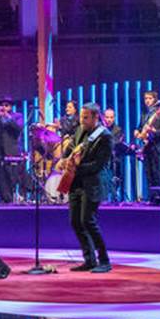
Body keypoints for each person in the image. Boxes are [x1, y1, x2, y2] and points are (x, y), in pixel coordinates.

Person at [65, 102, 113, 273]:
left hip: (93, 183)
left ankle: (104, 260)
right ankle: (89, 259)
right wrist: (65, 160)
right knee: (75, 222)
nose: (82, 121)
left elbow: (98, 165)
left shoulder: (104, 136)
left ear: (95, 117)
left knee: (88, 221)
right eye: (81, 117)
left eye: (85, 118)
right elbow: (70, 151)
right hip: (76, 183)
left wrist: (77, 167)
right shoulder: (79, 131)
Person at [137, 89, 160, 195]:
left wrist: (155, 132)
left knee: (157, 173)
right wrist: (136, 132)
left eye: (150, 98)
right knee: (148, 173)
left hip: (157, 145)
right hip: (147, 146)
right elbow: (140, 127)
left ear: (155, 99)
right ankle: (152, 196)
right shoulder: (145, 113)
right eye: (145, 98)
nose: (147, 101)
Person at [0, 100, 24, 204]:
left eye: (6, 105)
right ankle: (3, 198)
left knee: (10, 175)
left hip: (10, 149)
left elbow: (18, 129)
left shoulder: (17, 116)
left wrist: (8, 117)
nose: (3, 107)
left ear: (11, 107)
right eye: (2, 105)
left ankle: (10, 198)